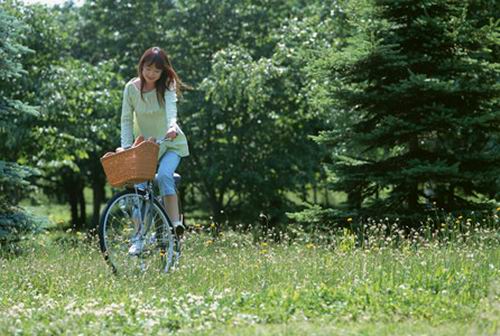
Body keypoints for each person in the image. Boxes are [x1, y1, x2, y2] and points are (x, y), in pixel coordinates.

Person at [120, 46, 190, 255]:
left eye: (157, 71)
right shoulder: (131, 89)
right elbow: (125, 119)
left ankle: (175, 225)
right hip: (145, 146)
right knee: (138, 190)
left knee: (165, 176)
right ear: (141, 66)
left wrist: (171, 127)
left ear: (163, 72)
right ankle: (139, 237)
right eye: (148, 68)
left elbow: (171, 111)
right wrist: (126, 147)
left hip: (170, 142)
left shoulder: (167, 86)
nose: (151, 74)